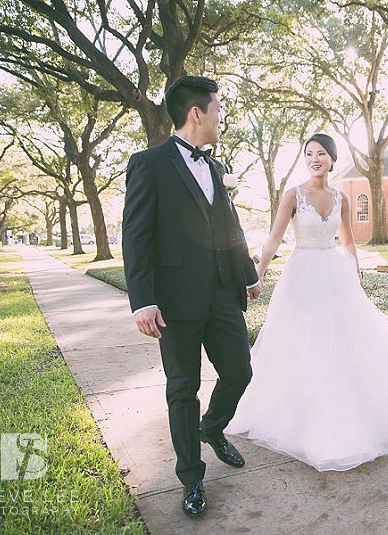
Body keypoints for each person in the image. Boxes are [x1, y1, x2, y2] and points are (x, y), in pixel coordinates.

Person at [224, 133, 388, 472]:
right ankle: (303, 418)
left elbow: (348, 241)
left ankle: (350, 417)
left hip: (335, 275)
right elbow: (273, 238)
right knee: (305, 342)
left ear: (332, 159)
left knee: (344, 343)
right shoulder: (293, 195)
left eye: (321, 153)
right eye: (309, 153)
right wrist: (257, 274)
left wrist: (355, 275)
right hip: (302, 274)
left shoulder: (341, 197)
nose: (315, 158)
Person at [122, 76, 261, 517]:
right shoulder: (149, 163)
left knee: (240, 370)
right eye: (218, 109)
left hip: (222, 294)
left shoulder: (217, 167)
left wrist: (248, 273)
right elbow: (136, 235)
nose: (222, 117)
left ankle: (213, 427)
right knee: (182, 389)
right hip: (174, 302)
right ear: (196, 113)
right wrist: (142, 299)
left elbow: (230, 226)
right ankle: (192, 479)